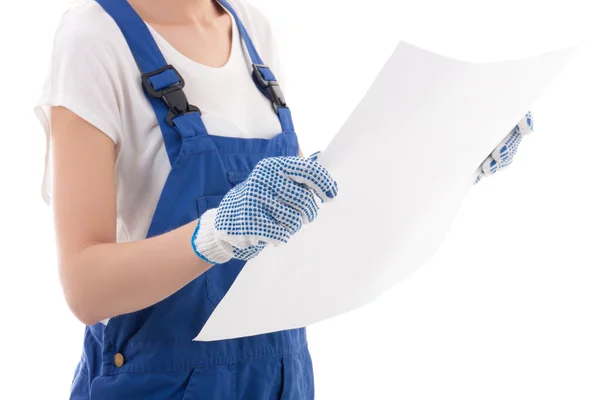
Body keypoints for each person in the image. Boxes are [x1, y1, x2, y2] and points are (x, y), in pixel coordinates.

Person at [34, 0, 532, 398]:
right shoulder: (94, 39)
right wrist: (216, 234)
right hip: (160, 382)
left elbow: (307, 227)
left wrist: (450, 166)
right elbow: (85, 287)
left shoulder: (252, 30)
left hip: (281, 376)